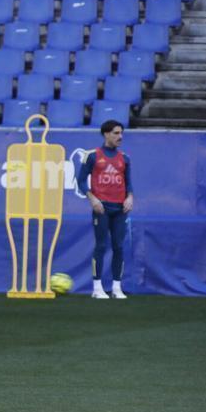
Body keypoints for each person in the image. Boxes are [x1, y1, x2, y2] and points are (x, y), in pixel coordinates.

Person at [77, 120, 133, 299]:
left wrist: (130, 197)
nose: (120, 137)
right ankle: (97, 288)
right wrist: (92, 199)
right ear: (106, 134)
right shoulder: (92, 156)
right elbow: (80, 181)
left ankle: (117, 288)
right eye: (116, 133)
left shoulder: (125, 158)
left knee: (118, 246)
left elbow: (128, 183)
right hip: (101, 208)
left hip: (120, 209)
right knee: (101, 246)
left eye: (121, 133)